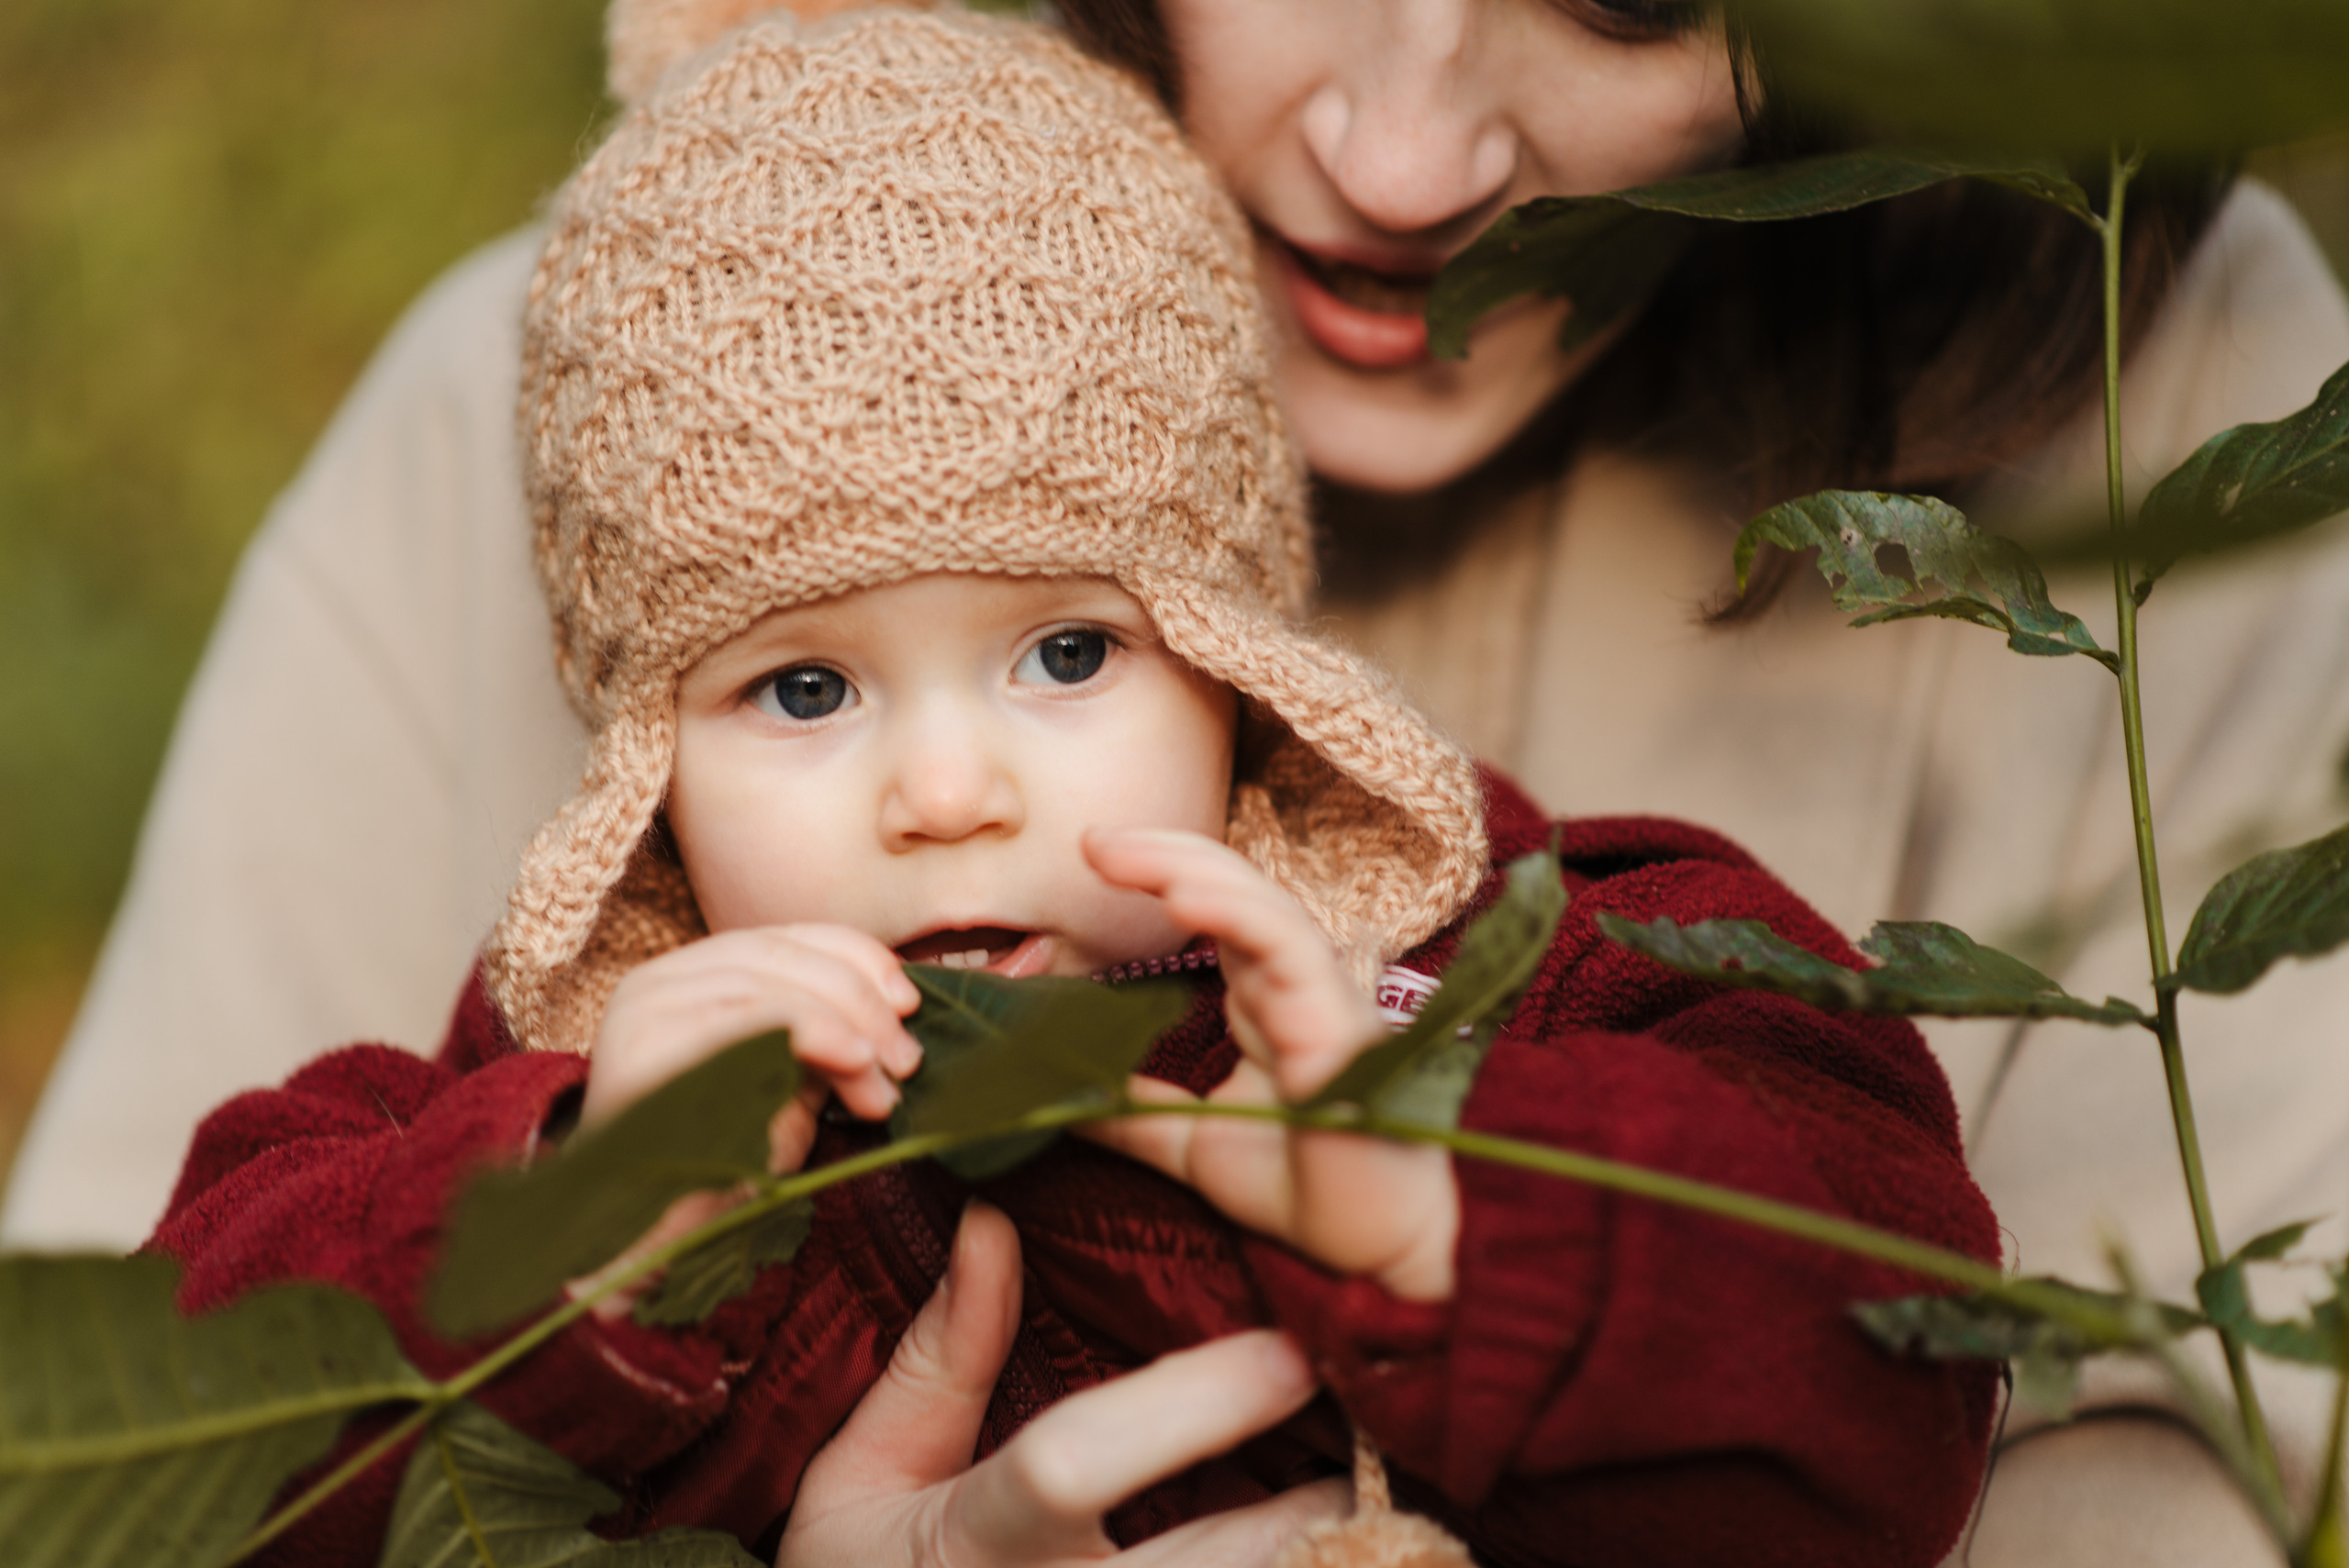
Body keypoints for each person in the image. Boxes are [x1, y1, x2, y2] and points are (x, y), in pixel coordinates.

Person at [7, 0, 2346, 1560]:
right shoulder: (591, 1046)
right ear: (637, 761)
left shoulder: (1499, 950)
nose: (942, 791)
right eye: (798, 693)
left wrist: (1451, 1210)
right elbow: (167, 1419)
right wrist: (564, 1223)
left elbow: (1889, 1356)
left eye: (1064, 654)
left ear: (1252, 678)